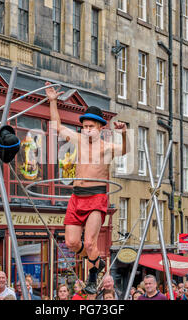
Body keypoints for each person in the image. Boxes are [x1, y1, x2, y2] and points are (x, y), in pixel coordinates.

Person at [46, 82, 129, 294]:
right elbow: (56, 126)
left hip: (96, 197)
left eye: (92, 126)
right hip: (77, 197)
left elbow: (124, 151)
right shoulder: (78, 140)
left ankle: (93, 276)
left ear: (101, 128)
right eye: (85, 126)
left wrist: (124, 134)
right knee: (71, 242)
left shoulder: (107, 147)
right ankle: (97, 262)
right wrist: (53, 101)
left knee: (90, 242)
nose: (88, 129)